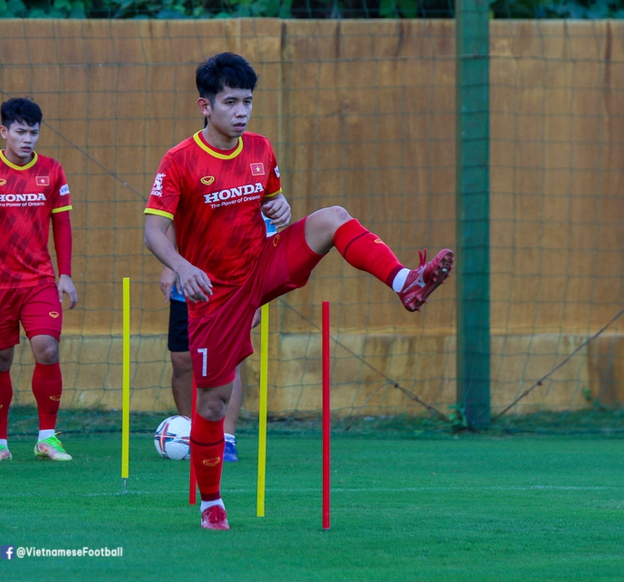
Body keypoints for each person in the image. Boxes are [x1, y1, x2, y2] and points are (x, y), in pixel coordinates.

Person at [143, 53, 454, 530]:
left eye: (247, 101)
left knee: (332, 216)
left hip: (261, 264)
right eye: (230, 102)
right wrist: (181, 266)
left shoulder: (262, 150)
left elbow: (269, 201)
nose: (241, 111)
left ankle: (405, 282)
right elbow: (153, 231)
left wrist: (279, 206)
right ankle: (211, 505)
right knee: (211, 402)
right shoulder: (180, 160)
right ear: (205, 106)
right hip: (214, 292)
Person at [0, 97, 78, 463]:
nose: (28, 139)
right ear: (4, 131)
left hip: (39, 281)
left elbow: (62, 225)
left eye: (34, 133)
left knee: (48, 349)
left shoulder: (53, 170)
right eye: (21, 132)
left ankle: (47, 438)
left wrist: (66, 274)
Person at [160, 214, 277, 462]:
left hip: (234, 291)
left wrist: (258, 298)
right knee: (181, 361)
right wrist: (169, 267)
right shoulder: (190, 175)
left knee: (229, 363)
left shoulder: (256, 184)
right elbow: (171, 221)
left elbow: (267, 243)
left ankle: (227, 439)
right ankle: (188, 434)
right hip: (189, 287)